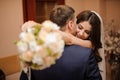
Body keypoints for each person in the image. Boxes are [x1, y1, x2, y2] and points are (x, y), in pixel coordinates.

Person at [20, 5, 102, 80]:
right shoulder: (85, 54)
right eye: (79, 26)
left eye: (87, 32)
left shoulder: (33, 51)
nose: (80, 32)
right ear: (71, 24)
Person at [60, 10, 106, 80]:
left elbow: (70, 39)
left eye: (87, 32)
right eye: (80, 27)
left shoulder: (90, 44)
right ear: (75, 23)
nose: (81, 34)